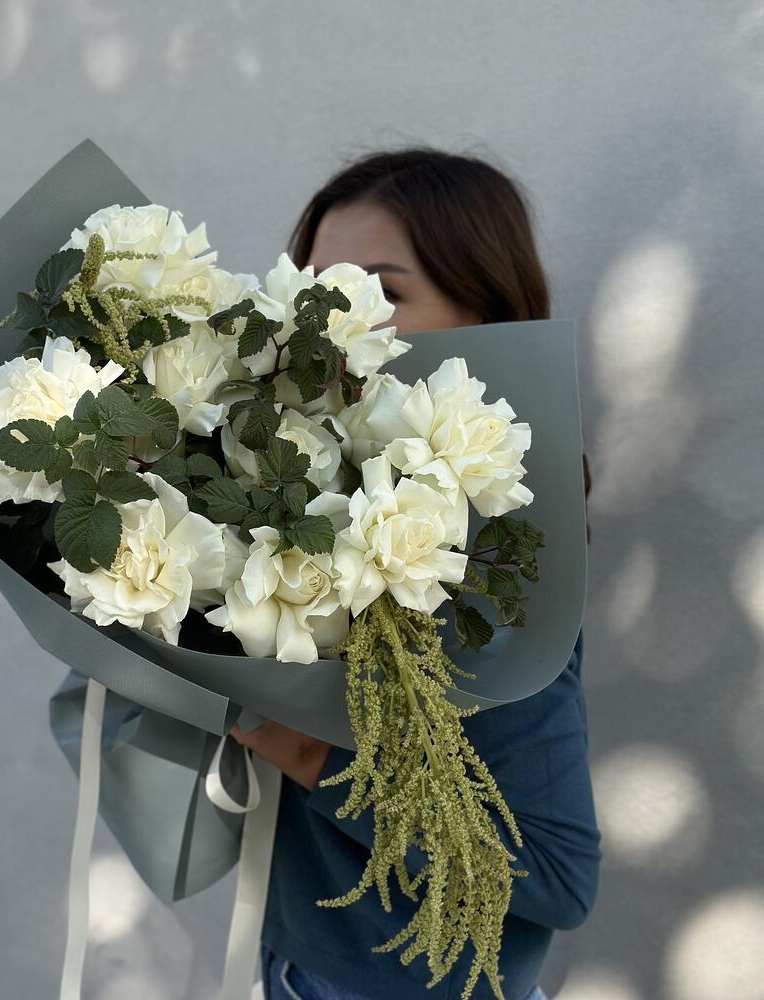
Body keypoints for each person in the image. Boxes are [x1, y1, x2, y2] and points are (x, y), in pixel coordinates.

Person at [230, 148, 602, 1000]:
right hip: (292, 965)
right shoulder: (300, 493)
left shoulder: (498, 561)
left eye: (384, 293)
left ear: (487, 316)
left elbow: (559, 873)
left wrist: (303, 750)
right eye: (315, 292)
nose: (332, 326)